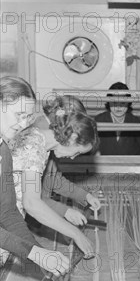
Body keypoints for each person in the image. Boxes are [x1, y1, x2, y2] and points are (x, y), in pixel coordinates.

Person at [7, 94, 100, 259]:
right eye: (77, 151)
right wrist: (75, 234)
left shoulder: (40, 143)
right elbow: (32, 203)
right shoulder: (34, 146)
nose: (73, 157)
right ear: (71, 137)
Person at [0, 76, 69, 277]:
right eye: (18, 114)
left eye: (28, 117)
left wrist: (39, 252)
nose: (23, 124)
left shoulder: (4, 150)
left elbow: (7, 213)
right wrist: (33, 253)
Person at [95, 82, 140, 155]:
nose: (118, 107)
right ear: (109, 102)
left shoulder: (134, 121)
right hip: (105, 164)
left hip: (130, 165)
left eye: (122, 103)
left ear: (128, 103)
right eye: (115, 103)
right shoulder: (99, 120)